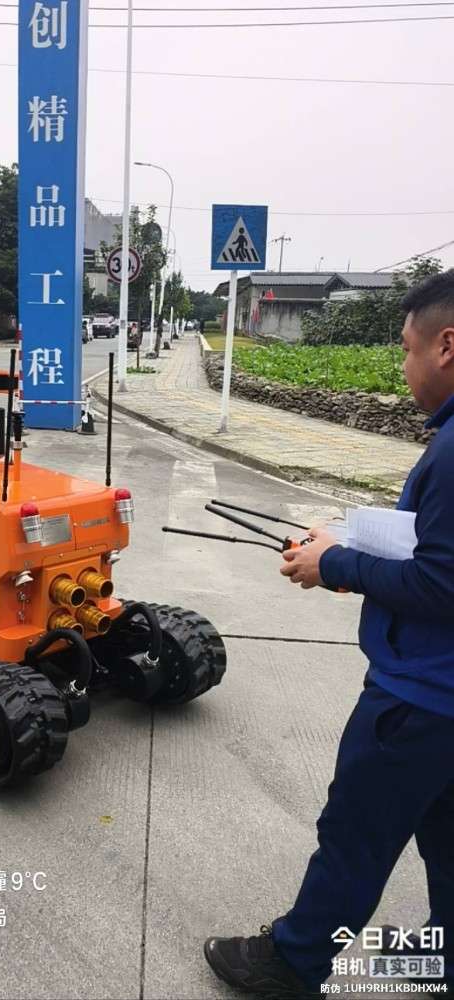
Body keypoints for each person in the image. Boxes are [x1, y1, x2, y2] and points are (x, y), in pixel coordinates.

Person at [204, 270, 454, 996]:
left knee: (355, 832)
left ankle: (293, 962)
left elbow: (442, 583)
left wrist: (333, 564)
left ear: (446, 345)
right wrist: (347, 543)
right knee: (447, 835)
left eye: (406, 350)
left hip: (422, 697)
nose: (403, 367)